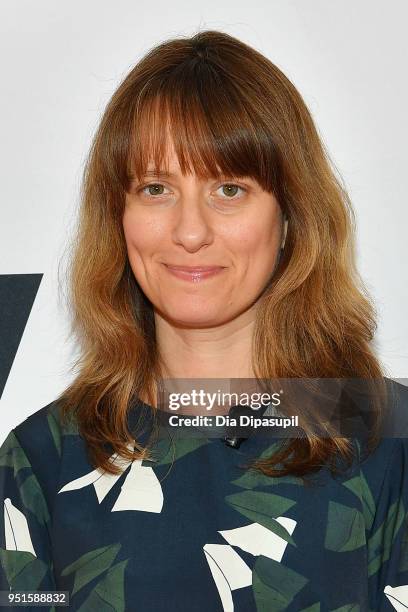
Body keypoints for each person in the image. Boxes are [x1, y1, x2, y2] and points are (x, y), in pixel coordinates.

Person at [1, 29, 407, 612]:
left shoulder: (386, 440)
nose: (190, 232)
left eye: (229, 188)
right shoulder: (42, 461)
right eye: (156, 188)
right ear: (118, 215)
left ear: (290, 216)